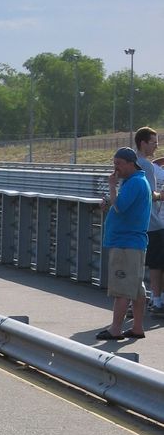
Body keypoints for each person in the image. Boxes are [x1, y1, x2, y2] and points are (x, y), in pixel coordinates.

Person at [96, 147, 152, 341]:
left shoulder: (134, 183)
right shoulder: (135, 181)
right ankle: (137, 327)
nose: (115, 168)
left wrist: (112, 186)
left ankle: (115, 329)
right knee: (136, 287)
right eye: (114, 163)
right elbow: (122, 205)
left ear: (131, 163)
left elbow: (120, 207)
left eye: (119, 163)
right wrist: (109, 200)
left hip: (126, 243)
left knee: (122, 287)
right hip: (133, 242)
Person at [135, 126, 164, 315]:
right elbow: (149, 194)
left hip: (138, 222)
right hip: (152, 222)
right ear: (143, 143)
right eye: (154, 142)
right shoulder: (144, 165)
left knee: (141, 263)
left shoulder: (135, 162)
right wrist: (161, 196)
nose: (157, 145)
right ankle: (157, 302)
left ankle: (135, 302)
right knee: (157, 264)